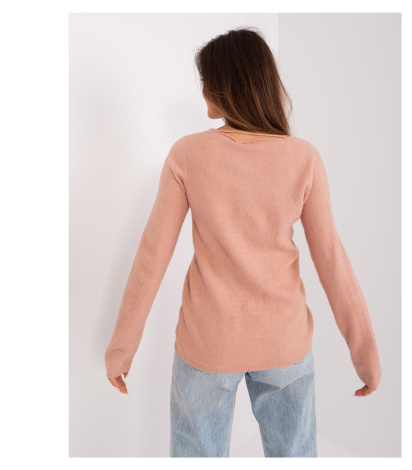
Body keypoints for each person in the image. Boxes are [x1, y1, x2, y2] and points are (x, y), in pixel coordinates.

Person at [104, 26, 381, 458]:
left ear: (225, 87)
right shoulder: (303, 158)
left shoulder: (187, 154)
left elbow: (151, 257)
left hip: (206, 343)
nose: (202, 93)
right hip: (284, 342)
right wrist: (366, 357)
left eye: (206, 82)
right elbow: (333, 262)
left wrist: (122, 348)